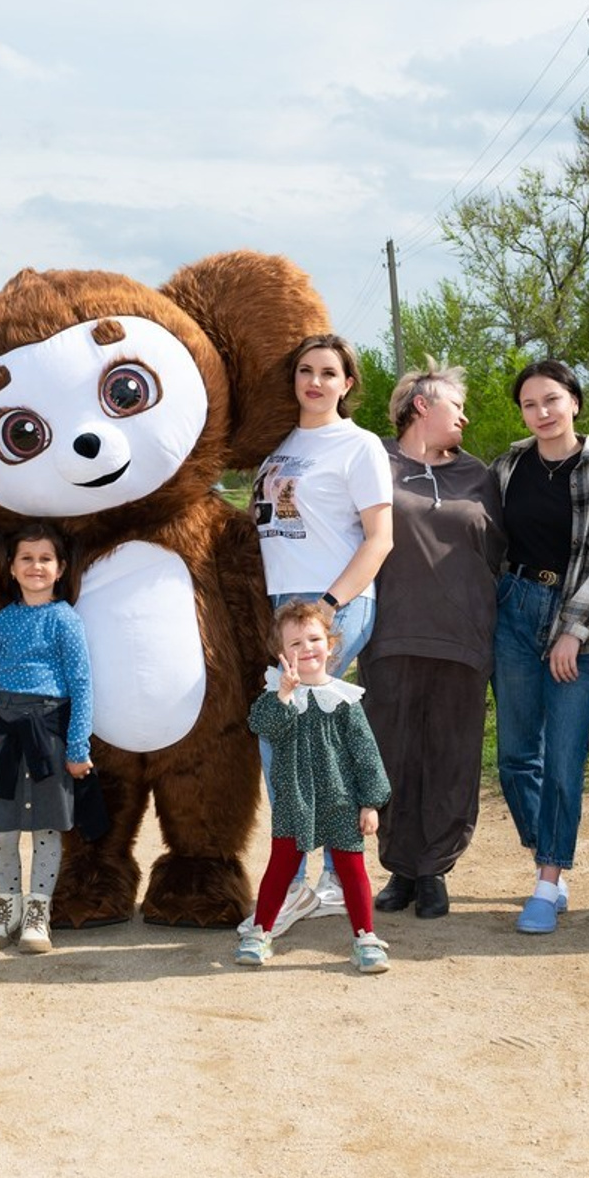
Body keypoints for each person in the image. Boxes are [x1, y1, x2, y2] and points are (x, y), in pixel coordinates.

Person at [245, 333, 392, 934]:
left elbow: (379, 539)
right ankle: (326, 879)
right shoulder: (280, 446)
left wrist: (330, 606)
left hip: (334, 601)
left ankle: (303, 883)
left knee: (292, 736)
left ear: (348, 383)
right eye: (305, 370)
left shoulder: (359, 447)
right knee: (300, 734)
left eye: (329, 372)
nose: (316, 381)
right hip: (285, 605)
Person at [359, 359, 505, 919]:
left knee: (452, 755)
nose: (465, 416)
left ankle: (436, 869)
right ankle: (400, 868)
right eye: (456, 406)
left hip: (463, 637)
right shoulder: (376, 463)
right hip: (392, 633)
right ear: (422, 405)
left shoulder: (479, 474)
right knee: (392, 754)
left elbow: (495, 550)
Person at [491, 359, 589, 934]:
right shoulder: (506, 466)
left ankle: (547, 883)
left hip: (582, 621)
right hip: (514, 610)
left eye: (552, 399)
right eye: (530, 404)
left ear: (575, 400)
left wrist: (573, 629)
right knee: (516, 755)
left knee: (565, 760)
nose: (542, 412)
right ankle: (549, 853)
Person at [238, 601, 392, 973]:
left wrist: (370, 803)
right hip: (295, 801)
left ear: (331, 644)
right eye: (294, 644)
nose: (306, 648)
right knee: (280, 868)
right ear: (281, 655)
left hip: (341, 800)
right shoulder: (276, 694)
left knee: (351, 869)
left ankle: (365, 937)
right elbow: (263, 727)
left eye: (314, 639)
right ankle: (261, 932)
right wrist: (285, 695)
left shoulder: (344, 699)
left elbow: (365, 753)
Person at [0, 523, 94, 955]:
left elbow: (81, 684)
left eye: (45, 559)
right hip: (5, 732)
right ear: (12, 567)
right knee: (1, 829)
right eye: (27, 558)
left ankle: (38, 912)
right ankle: (8, 905)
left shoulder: (66, 620)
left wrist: (78, 748)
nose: (36, 566)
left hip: (49, 735)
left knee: (45, 828)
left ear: (60, 569)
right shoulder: (3, 621)